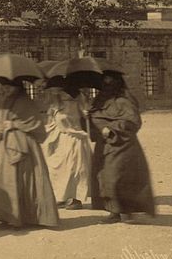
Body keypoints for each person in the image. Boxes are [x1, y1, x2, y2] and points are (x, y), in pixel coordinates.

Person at [0, 82, 59, 228]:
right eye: (6, 85)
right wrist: (0, 127)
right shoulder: (5, 102)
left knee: (25, 179)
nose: (6, 88)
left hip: (25, 146)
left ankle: (27, 216)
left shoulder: (26, 102)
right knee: (4, 179)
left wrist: (15, 125)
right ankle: (6, 216)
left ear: (18, 87)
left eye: (10, 86)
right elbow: (1, 121)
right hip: (6, 145)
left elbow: (36, 123)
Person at [88, 73, 155, 223]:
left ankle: (128, 211)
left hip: (123, 146)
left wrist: (112, 128)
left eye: (110, 83)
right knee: (104, 177)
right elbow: (94, 118)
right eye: (104, 84)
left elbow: (133, 121)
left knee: (119, 177)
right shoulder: (99, 100)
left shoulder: (125, 101)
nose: (107, 87)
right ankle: (114, 211)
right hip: (103, 146)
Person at [43, 85, 92, 210]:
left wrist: (86, 110)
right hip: (59, 139)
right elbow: (49, 123)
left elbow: (86, 116)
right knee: (57, 169)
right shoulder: (55, 105)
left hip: (74, 138)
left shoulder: (77, 101)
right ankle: (62, 196)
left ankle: (75, 199)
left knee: (74, 169)